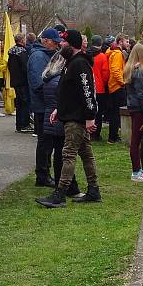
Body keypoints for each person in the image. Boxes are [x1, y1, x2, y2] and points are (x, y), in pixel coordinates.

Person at [36, 29, 101, 207]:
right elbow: (69, 92)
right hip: (72, 115)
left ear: (71, 44)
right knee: (86, 155)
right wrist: (59, 108)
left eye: (63, 42)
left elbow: (88, 92)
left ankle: (60, 194)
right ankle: (93, 190)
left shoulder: (79, 64)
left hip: (77, 119)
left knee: (68, 154)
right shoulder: (71, 63)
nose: (60, 45)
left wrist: (90, 117)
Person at [39, 51, 82, 198]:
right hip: (59, 119)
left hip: (51, 117)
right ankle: (68, 186)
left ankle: (63, 184)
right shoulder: (59, 80)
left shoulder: (48, 78)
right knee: (64, 155)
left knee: (59, 153)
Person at [28, 28, 60, 186]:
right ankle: (42, 175)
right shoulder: (38, 57)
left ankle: (45, 173)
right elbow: (38, 83)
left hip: (47, 105)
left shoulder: (47, 55)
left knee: (48, 142)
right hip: (43, 107)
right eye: (55, 43)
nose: (57, 46)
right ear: (46, 41)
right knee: (45, 143)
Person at [125, 43, 143, 182]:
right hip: (138, 109)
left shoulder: (131, 69)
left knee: (136, 140)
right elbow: (142, 95)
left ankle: (138, 170)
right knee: (136, 140)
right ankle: (136, 172)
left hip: (133, 107)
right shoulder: (139, 72)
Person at [106, 36, 128, 143]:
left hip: (114, 85)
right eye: (126, 41)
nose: (127, 44)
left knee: (114, 112)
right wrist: (122, 82)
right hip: (117, 86)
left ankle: (113, 136)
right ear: (120, 42)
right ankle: (113, 137)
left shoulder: (113, 52)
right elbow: (115, 70)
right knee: (116, 112)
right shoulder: (118, 54)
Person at [8, 33, 31, 132]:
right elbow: (26, 68)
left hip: (15, 81)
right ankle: (24, 124)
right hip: (23, 81)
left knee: (19, 103)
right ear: (22, 40)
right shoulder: (22, 52)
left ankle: (19, 125)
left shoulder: (11, 52)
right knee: (25, 103)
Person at [88, 35, 109, 141]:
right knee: (98, 112)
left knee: (88, 110)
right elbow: (105, 74)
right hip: (99, 88)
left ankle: (87, 132)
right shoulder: (102, 57)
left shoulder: (86, 54)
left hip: (88, 87)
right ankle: (96, 134)